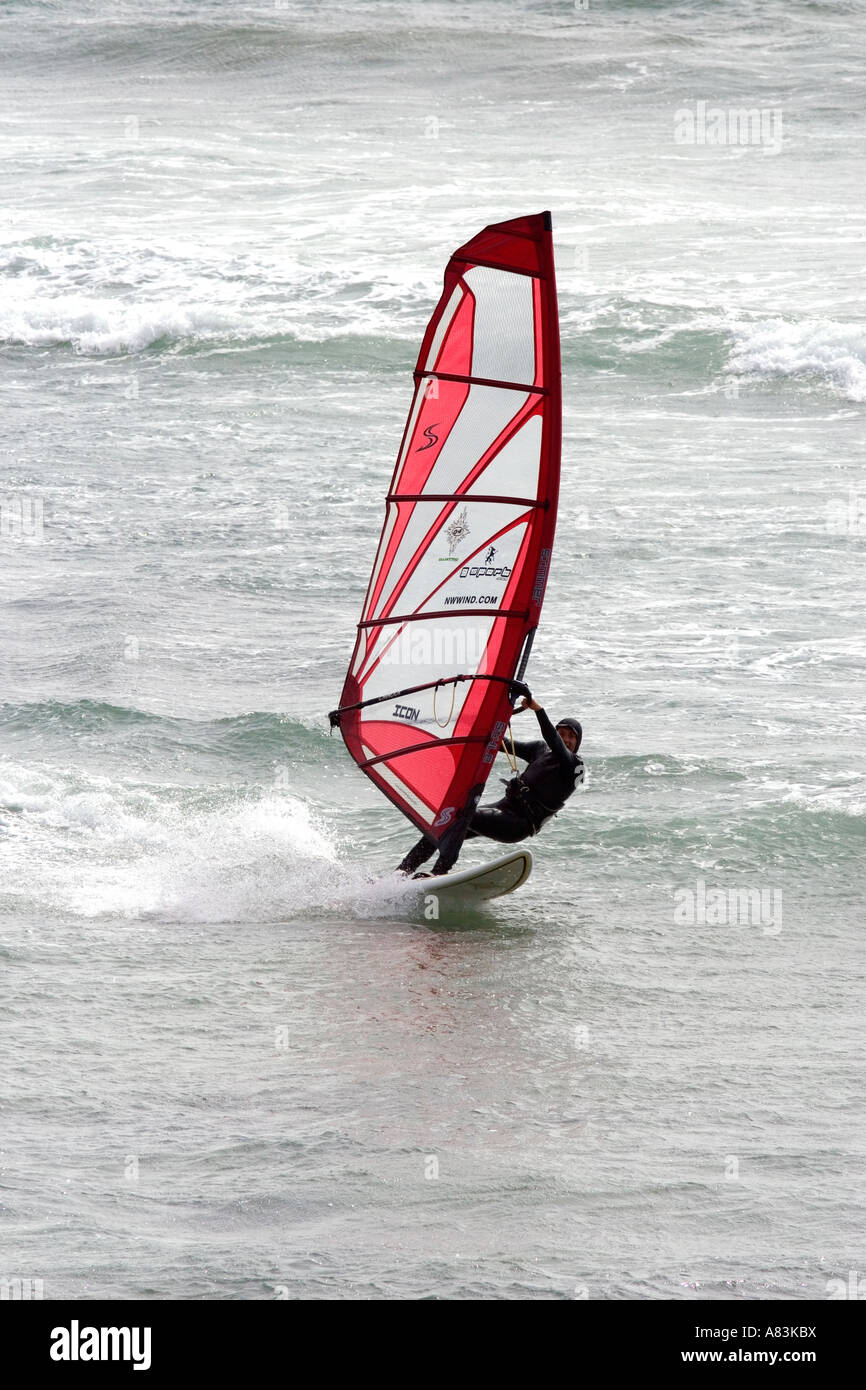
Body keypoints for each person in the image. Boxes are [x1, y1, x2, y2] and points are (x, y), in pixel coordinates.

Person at [397, 695, 584, 877]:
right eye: (562, 734)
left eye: (571, 737)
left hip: (518, 824)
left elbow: (555, 742)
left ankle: (439, 872)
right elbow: (501, 744)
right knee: (444, 825)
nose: (566, 739)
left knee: (464, 815)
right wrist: (491, 722)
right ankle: (403, 871)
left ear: (578, 742)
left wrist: (539, 710)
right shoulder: (540, 750)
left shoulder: (575, 767)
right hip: (503, 808)